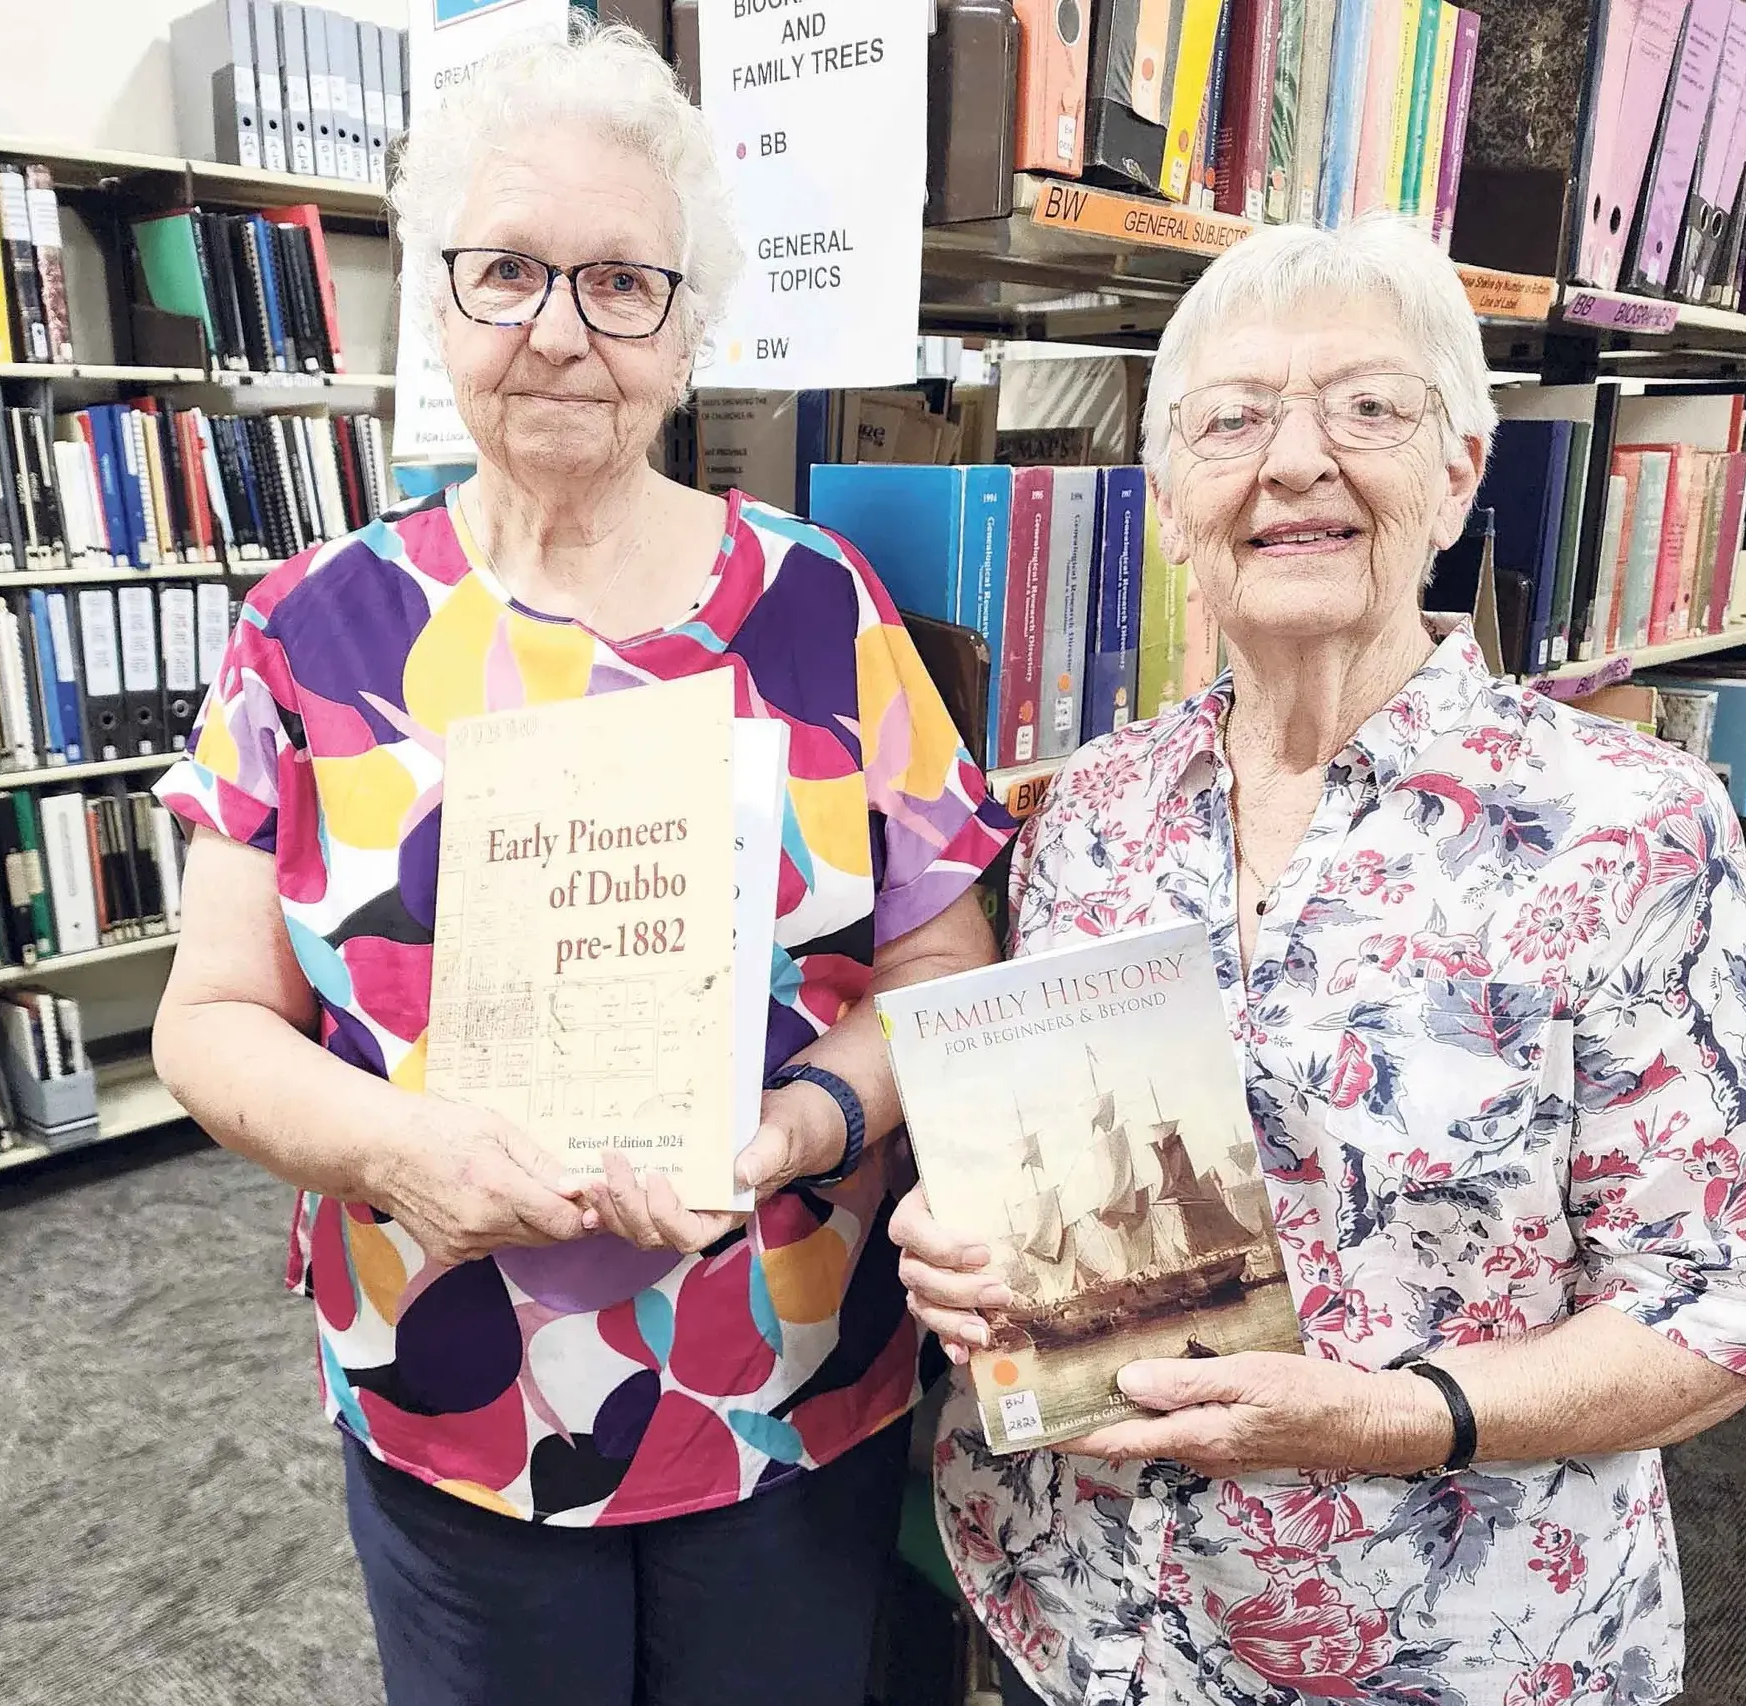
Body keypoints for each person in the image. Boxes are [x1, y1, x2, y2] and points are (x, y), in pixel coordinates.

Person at [150, 25, 1012, 1706]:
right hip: (451, 1370)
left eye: (623, 281)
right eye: (509, 272)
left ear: (689, 329)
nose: (559, 327)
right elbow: (209, 1016)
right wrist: (403, 1146)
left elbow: (945, 966)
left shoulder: (821, 611)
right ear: (440, 300)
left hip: (785, 1361)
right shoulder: (307, 631)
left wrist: (796, 1126)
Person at [892, 217, 1746, 1706]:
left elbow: (1744, 1296)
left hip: (1446, 1648)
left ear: (1460, 470)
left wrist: (1389, 1418)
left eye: (1368, 406)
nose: (1294, 461)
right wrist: (962, 1251)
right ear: (1168, 498)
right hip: (1086, 1621)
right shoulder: (1089, 812)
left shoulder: (1624, 829)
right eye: (1233, 417)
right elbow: (1059, 1180)